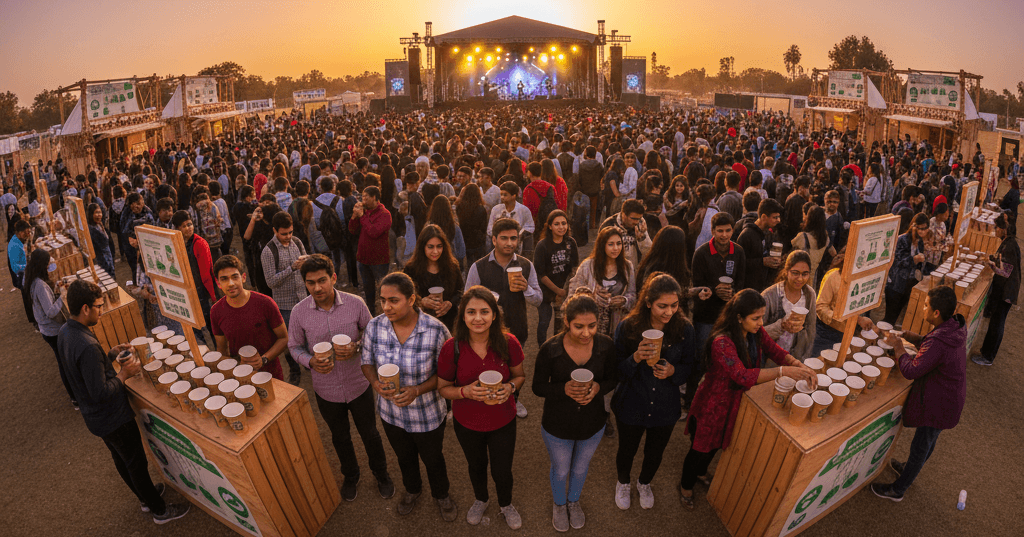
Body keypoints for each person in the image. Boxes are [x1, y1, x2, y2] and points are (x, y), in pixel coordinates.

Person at [58, 280, 190, 524]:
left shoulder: (66, 331)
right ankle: (159, 510)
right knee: (135, 463)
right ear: (85, 308)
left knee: (121, 460)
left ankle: (144, 497)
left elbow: (79, 373)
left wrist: (108, 355)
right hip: (112, 417)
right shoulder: (86, 345)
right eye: (98, 306)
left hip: (95, 419)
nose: (102, 310)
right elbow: (100, 392)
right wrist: (124, 374)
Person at [680, 289, 817, 508]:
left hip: (734, 402)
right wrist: (782, 371)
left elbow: (774, 350)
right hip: (713, 406)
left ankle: (700, 473)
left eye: (762, 317)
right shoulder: (721, 342)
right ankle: (686, 485)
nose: (760, 322)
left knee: (715, 446)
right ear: (738, 317)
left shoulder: (754, 332)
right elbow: (742, 375)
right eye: (755, 318)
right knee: (699, 448)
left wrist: (796, 363)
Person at [287, 254, 394, 501]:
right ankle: (351, 475)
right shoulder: (299, 312)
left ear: (333, 278)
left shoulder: (355, 303)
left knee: (370, 433)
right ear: (305, 283)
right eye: (311, 282)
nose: (317, 287)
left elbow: (372, 332)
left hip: (358, 384)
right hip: (325, 389)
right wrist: (310, 361)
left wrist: (357, 347)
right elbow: (294, 346)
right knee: (340, 436)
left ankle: (381, 474)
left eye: (322, 280)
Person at [359, 272, 457, 521]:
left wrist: (416, 390)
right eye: (383, 300)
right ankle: (413, 490)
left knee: (433, 458)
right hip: (391, 414)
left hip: (427, 414)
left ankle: (441, 494)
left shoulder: (436, 330)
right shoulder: (375, 326)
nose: (386, 307)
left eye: (394, 300)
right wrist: (375, 384)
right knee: (404, 457)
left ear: (412, 299)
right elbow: (366, 362)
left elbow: (447, 376)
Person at [436, 287, 527, 529]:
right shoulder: (451, 347)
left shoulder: (509, 343)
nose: (478, 318)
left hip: (503, 420)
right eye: (471, 312)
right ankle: (481, 499)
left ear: (495, 315)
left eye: (485, 311)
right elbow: (443, 387)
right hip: (466, 423)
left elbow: (519, 377)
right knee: (476, 466)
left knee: (502, 470)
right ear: (462, 316)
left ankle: (506, 504)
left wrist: (510, 388)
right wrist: (464, 391)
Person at [871, 286, 967, 501]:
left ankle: (898, 489)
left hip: (940, 403)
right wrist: (912, 337)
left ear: (935, 313)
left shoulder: (939, 340)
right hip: (950, 398)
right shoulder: (953, 328)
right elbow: (932, 345)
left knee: (921, 445)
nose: (923, 308)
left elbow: (911, 370)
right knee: (928, 441)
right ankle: (909, 469)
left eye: (926, 305)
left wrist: (898, 347)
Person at [611, 274, 697, 510]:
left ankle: (644, 482)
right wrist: (636, 357)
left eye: (674, 305)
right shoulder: (628, 327)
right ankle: (623, 482)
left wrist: (673, 372)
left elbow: (691, 365)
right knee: (627, 449)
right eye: (662, 306)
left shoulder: (685, 329)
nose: (669, 312)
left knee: (655, 452)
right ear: (648, 302)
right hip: (632, 402)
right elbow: (616, 371)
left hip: (664, 406)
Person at [531, 294, 616, 531]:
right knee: (561, 468)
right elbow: (537, 387)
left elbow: (613, 377)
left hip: (593, 422)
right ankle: (560, 504)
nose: (586, 333)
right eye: (579, 326)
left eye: (592, 326)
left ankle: (573, 501)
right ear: (566, 322)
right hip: (557, 424)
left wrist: (598, 388)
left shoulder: (606, 345)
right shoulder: (551, 349)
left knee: (580, 467)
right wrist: (563, 389)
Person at [210, 255, 288, 380]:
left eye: (235, 277)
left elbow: (283, 338)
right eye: (224, 279)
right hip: (240, 377)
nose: (231, 284)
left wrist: (264, 359)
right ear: (218, 283)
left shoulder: (265, 303)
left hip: (271, 374)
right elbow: (222, 349)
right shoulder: (216, 311)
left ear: (244, 277)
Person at [260, 211, 308, 385]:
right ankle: (295, 370)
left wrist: (307, 262)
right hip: (285, 305)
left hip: (302, 299)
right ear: (274, 230)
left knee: (307, 333)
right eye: (284, 233)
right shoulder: (268, 251)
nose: (288, 236)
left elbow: (306, 265)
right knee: (289, 341)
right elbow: (271, 282)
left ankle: (308, 362)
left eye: (290, 232)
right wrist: (292, 268)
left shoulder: (297, 242)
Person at [25, 248, 76, 407]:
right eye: (47, 264)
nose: (49, 266)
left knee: (63, 361)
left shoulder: (34, 280)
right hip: (52, 331)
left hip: (48, 329)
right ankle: (75, 397)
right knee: (64, 363)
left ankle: (74, 395)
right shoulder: (39, 285)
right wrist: (62, 295)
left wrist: (54, 292)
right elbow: (51, 311)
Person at [972, 213, 1020, 366]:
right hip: (1003, 290)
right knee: (995, 321)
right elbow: (1000, 260)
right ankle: (986, 352)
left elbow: (1005, 271)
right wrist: (990, 259)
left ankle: (988, 356)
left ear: (1004, 229)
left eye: (998, 228)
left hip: (1006, 292)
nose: (996, 231)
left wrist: (990, 264)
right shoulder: (1007, 242)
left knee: (997, 323)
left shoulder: (1010, 246)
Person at [812, 247, 876, 355]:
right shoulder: (833, 276)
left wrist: (864, 322)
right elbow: (820, 307)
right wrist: (856, 319)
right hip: (826, 333)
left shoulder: (862, 279)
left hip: (847, 334)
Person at [403, 224, 464, 331]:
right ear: (422, 247)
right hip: (421, 325)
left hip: (448, 324)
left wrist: (450, 303)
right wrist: (421, 302)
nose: (435, 251)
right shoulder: (411, 269)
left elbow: (460, 291)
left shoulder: (452, 266)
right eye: (430, 247)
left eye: (439, 246)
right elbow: (404, 296)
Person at [533, 210, 580, 347]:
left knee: (560, 323)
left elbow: (575, 268)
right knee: (544, 322)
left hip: (565, 290)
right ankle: (542, 348)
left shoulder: (570, 243)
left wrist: (567, 289)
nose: (561, 227)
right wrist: (557, 291)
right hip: (546, 291)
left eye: (564, 223)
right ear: (549, 226)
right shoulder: (542, 246)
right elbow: (540, 274)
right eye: (557, 224)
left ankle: (557, 348)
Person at [761, 250, 818, 361]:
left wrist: (804, 357)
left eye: (805, 274)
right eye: (795, 273)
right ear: (786, 271)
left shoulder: (809, 294)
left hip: (796, 357)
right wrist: (781, 326)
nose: (800, 279)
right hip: (770, 358)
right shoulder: (769, 296)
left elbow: (811, 328)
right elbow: (755, 333)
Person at [171, 210, 217, 344]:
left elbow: (206, 274)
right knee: (195, 327)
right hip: (188, 292)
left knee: (211, 326)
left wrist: (213, 297)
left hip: (202, 292)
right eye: (184, 226)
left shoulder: (200, 244)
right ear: (177, 228)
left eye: (189, 224)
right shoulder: (176, 243)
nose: (188, 228)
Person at [350, 186, 393, 315]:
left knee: (382, 290)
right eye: (362, 197)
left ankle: (385, 313)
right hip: (363, 259)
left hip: (378, 260)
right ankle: (370, 315)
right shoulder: (364, 212)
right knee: (368, 290)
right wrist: (354, 216)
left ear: (374, 198)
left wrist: (362, 216)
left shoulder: (385, 214)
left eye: (365, 197)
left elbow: (373, 232)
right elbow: (352, 230)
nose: (363, 200)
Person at [883, 213, 930, 325]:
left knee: (896, 315)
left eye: (925, 229)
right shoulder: (902, 240)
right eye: (920, 228)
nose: (922, 231)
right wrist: (913, 259)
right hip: (895, 283)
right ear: (914, 226)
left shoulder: (921, 242)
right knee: (889, 315)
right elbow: (896, 262)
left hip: (909, 284)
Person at [736, 198, 783, 293]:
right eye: (775, 217)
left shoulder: (768, 233)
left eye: (779, 217)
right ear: (764, 217)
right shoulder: (747, 235)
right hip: (748, 290)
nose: (778, 220)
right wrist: (762, 262)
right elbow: (738, 263)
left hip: (763, 288)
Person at [600, 198, 652, 270]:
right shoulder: (609, 225)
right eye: (633, 218)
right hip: (614, 269)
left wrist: (642, 238)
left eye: (639, 218)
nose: (636, 222)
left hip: (634, 269)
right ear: (623, 214)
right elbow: (600, 252)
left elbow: (648, 252)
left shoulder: (640, 223)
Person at [486, 181, 535, 255]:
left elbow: (530, 227)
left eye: (505, 195)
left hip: (517, 248)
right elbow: (490, 229)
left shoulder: (523, 210)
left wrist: (519, 235)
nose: (502, 197)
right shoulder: (496, 209)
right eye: (501, 194)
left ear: (514, 196)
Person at [791, 205, 832, 277]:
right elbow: (834, 253)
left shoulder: (802, 237)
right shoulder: (825, 237)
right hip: (814, 275)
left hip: (799, 275)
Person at [87, 203, 115, 276]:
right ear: (91, 214)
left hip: (107, 257)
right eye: (96, 213)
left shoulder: (99, 224)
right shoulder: (92, 230)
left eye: (100, 212)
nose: (99, 215)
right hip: (103, 261)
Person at [8, 219, 31, 292]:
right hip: (21, 278)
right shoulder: (15, 246)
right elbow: (16, 268)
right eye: (27, 233)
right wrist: (29, 267)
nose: (28, 235)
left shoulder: (16, 240)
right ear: (21, 233)